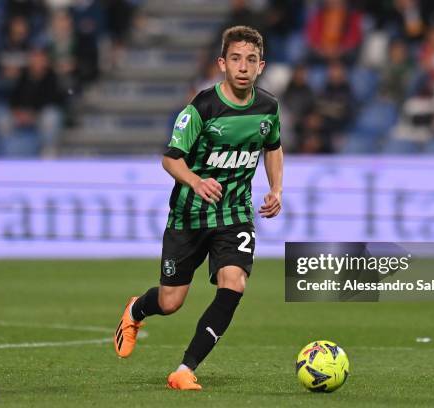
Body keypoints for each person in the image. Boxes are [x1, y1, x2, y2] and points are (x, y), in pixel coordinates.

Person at [113, 25, 283, 390]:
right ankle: (136, 310)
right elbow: (170, 159)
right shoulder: (201, 108)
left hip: (235, 211)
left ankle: (185, 369)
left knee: (234, 282)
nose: (243, 66)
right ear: (222, 63)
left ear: (261, 65)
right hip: (189, 214)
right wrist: (195, 180)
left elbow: (273, 146)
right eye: (235, 58)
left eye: (251, 60)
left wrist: (277, 189)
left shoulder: (268, 107)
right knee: (172, 301)